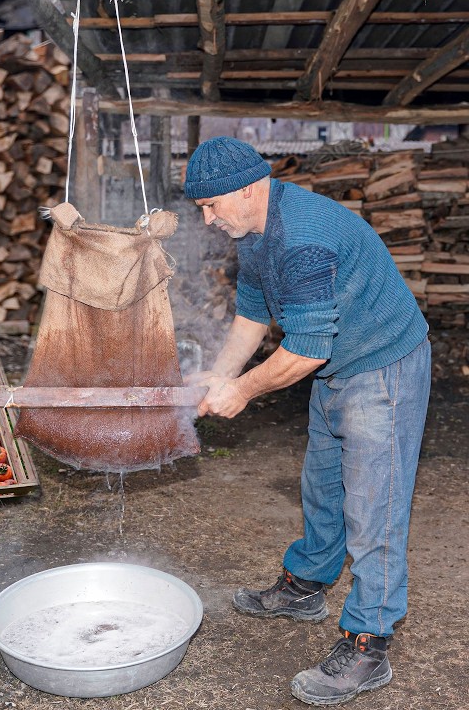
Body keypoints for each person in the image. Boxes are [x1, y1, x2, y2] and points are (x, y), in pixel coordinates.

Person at [184, 136, 429, 706]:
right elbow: (252, 310)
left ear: (247, 188)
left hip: (383, 365)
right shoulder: (254, 228)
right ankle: (306, 587)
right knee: (322, 486)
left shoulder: (303, 239)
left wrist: (241, 392)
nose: (207, 218)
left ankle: (369, 642)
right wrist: (217, 377)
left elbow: (310, 347)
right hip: (338, 365)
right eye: (201, 208)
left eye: (211, 205)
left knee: (376, 508)